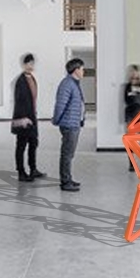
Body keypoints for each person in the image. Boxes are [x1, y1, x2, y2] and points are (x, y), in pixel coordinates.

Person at [10, 53, 46, 182]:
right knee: (21, 145)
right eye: (28, 63)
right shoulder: (20, 81)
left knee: (33, 143)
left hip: (32, 116)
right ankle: (21, 172)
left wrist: (33, 115)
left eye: (32, 63)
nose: (30, 66)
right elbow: (18, 101)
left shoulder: (32, 78)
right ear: (23, 65)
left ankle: (33, 169)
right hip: (23, 119)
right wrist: (23, 118)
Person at [52, 58, 86, 192]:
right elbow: (60, 104)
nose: (83, 71)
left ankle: (68, 178)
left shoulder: (74, 83)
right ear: (76, 70)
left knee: (69, 154)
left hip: (74, 123)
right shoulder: (67, 84)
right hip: (69, 124)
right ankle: (65, 182)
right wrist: (56, 120)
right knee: (67, 154)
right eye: (82, 69)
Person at [123, 64, 140, 170]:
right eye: (133, 72)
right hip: (131, 116)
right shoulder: (127, 86)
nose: (135, 74)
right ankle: (131, 164)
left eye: (136, 72)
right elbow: (126, 100)